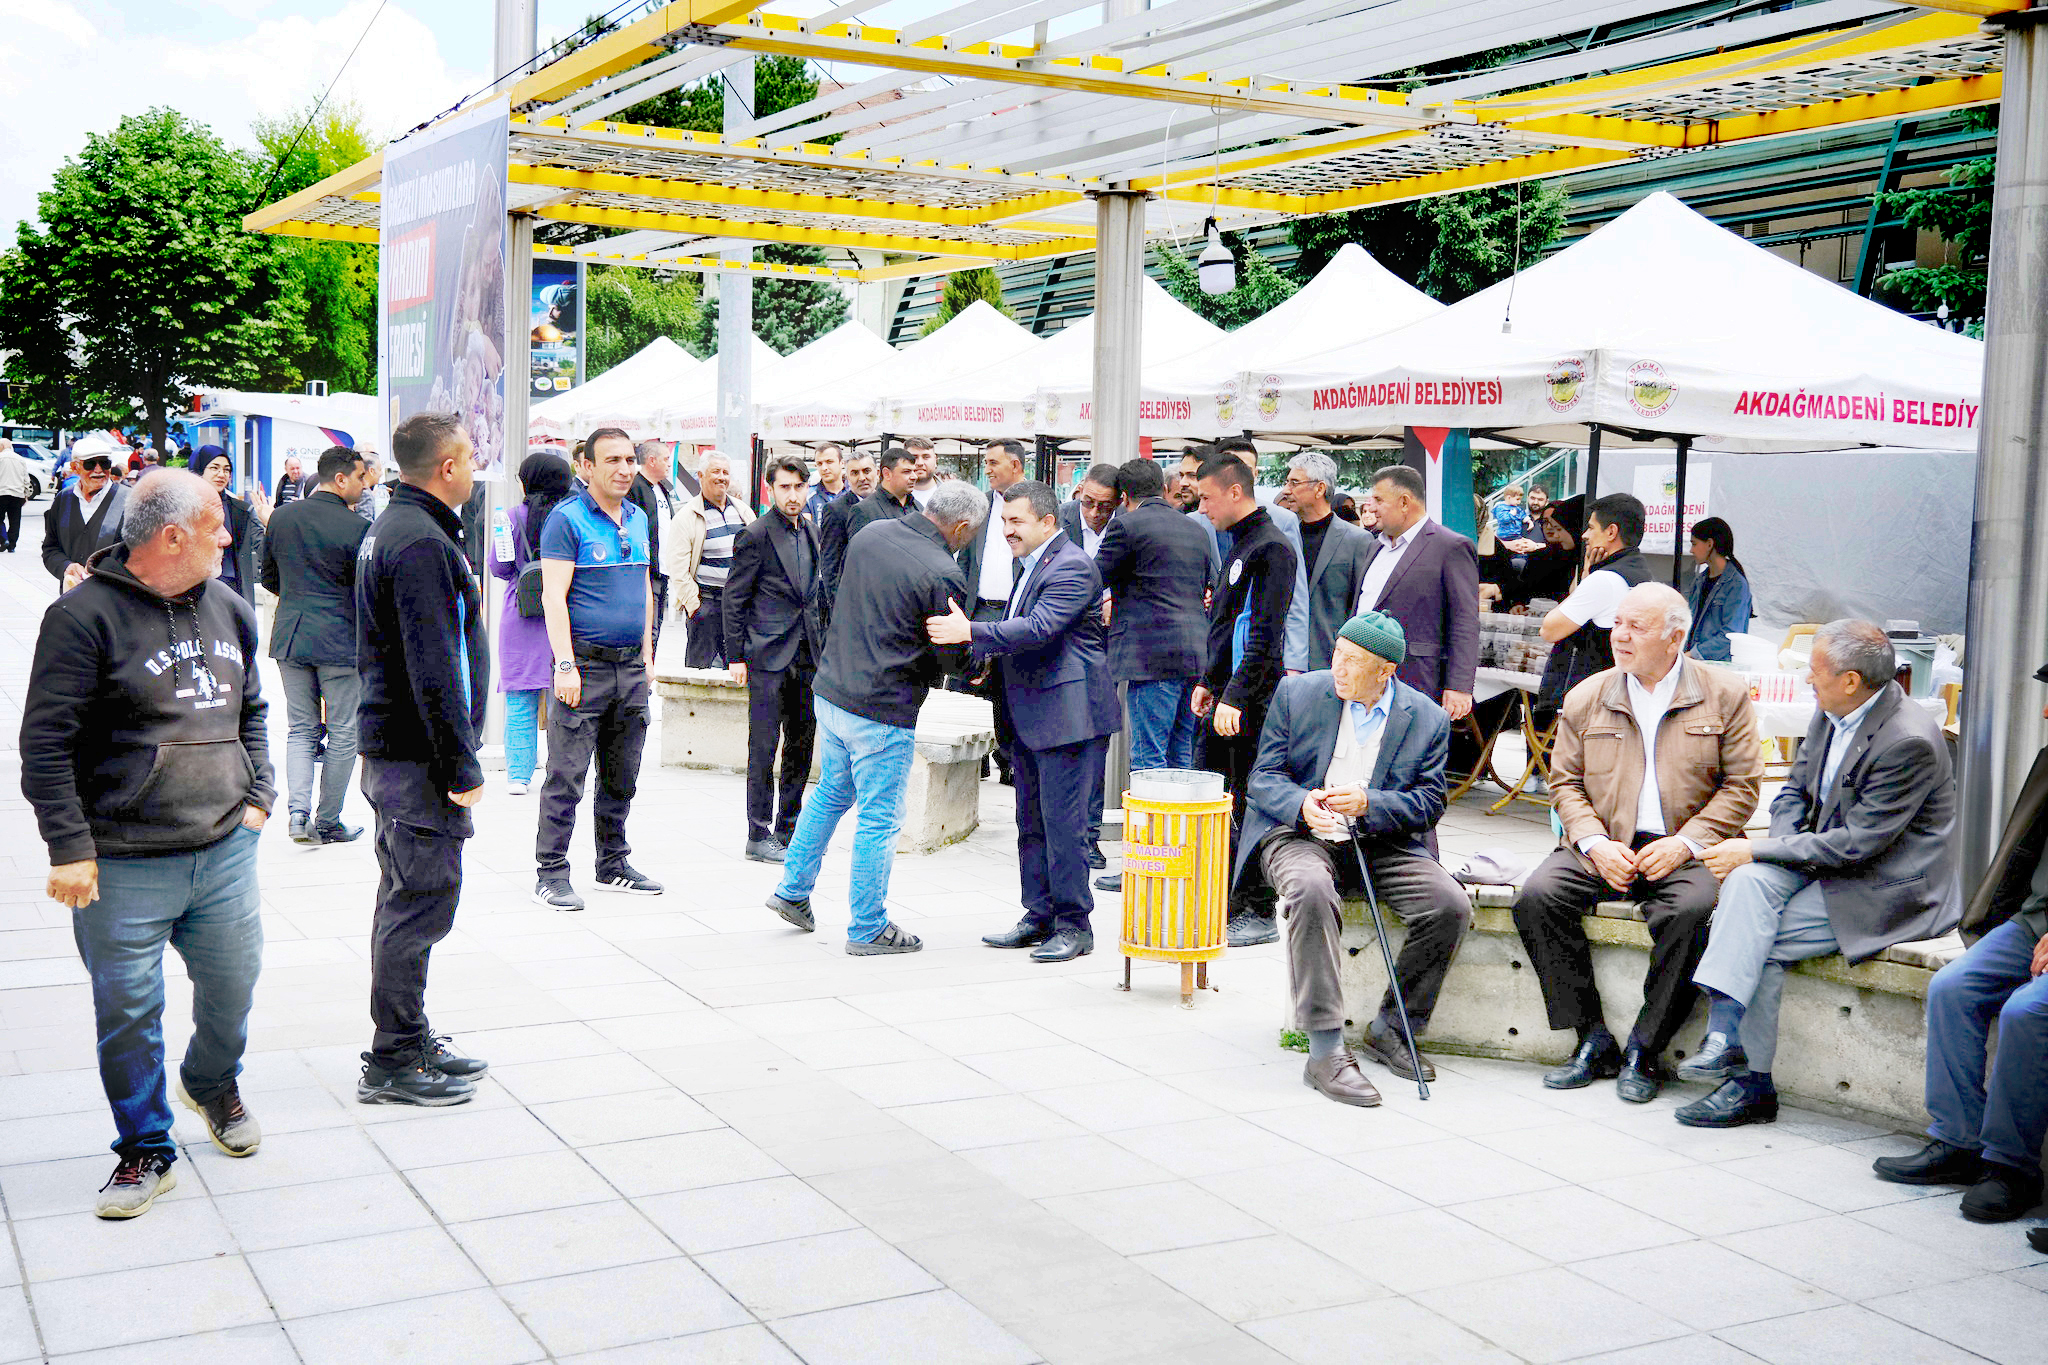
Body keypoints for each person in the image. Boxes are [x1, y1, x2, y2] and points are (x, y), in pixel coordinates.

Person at [22, 469, 273, 1217]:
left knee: (232, 990)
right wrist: (69, 846)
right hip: (122, 862)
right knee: (128, 1013)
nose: (229, 537)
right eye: (216, 526)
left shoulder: (230, 606)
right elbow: (45, 742)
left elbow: (252, 707)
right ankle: (145, 1147)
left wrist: (259, 797)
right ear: (171, 536)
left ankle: (210, 1080)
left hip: (224, 849)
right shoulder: (82, 618)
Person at [1678, 620, 1958, 1129]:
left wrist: (1759, 849)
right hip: (1821, 864)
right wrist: (1772, 851)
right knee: (1746, 884)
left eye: (1815, 670)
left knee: (1754, 934)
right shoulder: (1834, 709)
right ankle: (1723, 1041)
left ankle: (1748, 1082)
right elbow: (1793, 794)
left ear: (1851, 680)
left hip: (1883, 886)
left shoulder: (1908, 740)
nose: (1808, 680)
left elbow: (1858, 845)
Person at [1512, 583, 1761, 1103]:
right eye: (1617, 623)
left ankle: (1645, 1049)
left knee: (1691, 911)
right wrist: (1595, 843)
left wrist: (1687, 843)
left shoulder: (1724, 692)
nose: (1618, 636)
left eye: (1635, 627)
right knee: (1536, 898)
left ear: (1675, 638)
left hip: (1686, 846)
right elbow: (1565, 784)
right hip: (1605, 842)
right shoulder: (1590, 694)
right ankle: (1591, 1038)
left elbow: (1742, 787)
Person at [1243, 611, 1473, 1104]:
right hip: (1302, 836)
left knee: (1450, 905)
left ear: (1386, 671)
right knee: (1309, 889)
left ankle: (1394, 1027)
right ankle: (1324, 1048)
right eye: (1337, 656)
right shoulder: (1299, 693)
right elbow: (1263, 779)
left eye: (1353, 661)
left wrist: (1372, 804)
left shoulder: (1427, 718)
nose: (1339, 669)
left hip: (1381, 840)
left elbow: (1430, 803)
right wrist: (1303, 804)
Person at [765, 482, 984, 954]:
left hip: (835, 688)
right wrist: (977, 666)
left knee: (829, 794)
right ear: (961, 527)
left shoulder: (872, 533)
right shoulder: (943, 570)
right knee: (879, 818)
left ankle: (792, 890)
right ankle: (868, 927)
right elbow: (948, 653)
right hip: (882, 706)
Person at [1875, 660, 2048, 1223]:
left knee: (2026, 1012)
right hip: (2032, 925)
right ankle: (1958, 1142)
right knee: (1953, 986)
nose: (2044, 711)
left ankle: (2011, 1167)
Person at [354, 411, 491, 1107]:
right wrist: (461, 766)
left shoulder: (404, 527)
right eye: (467, 458)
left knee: (408, 895)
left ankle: (409, 1029)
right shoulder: (416, 541)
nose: (474, 469)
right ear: (446, 467)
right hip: (415, 759)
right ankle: (394, 1055)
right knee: (419, 901)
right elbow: (433, 665)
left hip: (400, 752)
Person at [931, 481, 1119, 962]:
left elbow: (1039, 629)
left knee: (1066, 826)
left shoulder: (1073, 565)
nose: (1007, 530)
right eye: (1004, 521)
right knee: (1031, 823)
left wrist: (968, 629)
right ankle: (1038, 915)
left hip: (1069, 721)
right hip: (1032, 714)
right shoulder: (1031, 563)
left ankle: (1075, 926)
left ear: (1047, 523)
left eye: (1016, 521)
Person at [535, 428, 664, 910]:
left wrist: (648, 655)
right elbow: (553, 597)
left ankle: (612, 863)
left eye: (630, 459)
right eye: (612, 459)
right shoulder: (566, 520)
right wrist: (565, 665)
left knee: (621, 772)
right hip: (583, 667)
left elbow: (646, 589)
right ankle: (550, 872)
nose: (625, 468)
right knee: (567, 774)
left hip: (630, 670)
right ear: (585, 466)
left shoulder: (636, 516)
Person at [1194, 454, 1298, 948]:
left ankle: (1256, 908)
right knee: (1219, 798)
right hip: (1227, 693)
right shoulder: (1240, 544)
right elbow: (1225, 624)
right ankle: (1225, 898)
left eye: (1208, 497)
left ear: (1235, 492)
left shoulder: (1272, 548)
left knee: (1249, 800)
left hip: (1252, 700)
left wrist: (1234, 695)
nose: (1203, 507)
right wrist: (1208, 683)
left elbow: (1263, 635)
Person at [260, 445, 369, 845]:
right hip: (340, 639)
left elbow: (269, 578)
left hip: (290, 634)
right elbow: (365, 590)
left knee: (301, 729)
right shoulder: (358, 529)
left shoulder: (282, 518)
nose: (364, 483)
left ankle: (296, 814)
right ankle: (327, 820)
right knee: (343, 731)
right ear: (340, 479)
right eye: (359, 476)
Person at [725, 455, 827, 863]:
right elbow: (735, 599)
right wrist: (735, 656)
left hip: (807, 655)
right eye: (785, 487)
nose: (793, 495)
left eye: (799, 487)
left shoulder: (812, 531)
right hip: (766, 656)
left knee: (802, 746)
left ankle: (789, 827)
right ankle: (757, 832)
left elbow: (816, 596)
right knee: (763, 748)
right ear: (770, 489)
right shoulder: (755, 534)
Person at [1096, 456, 1211, 774]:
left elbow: (1093, 577)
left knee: (1150, 757)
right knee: (1181, 753)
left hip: (1151, 658)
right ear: (1163, 488)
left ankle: (1153, 826)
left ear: (1123, 497)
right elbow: (1204, 587)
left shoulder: (1125, 525)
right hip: (1195, 655)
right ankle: (1179, 825)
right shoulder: (1195, 529)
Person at [1355, 464, 1479, 724]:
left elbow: (1465, 620)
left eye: (1378, 499)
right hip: (1362, 675)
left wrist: (1459, 685)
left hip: (1416, 678)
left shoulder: (1451, 546)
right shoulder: (1374, 546)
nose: (1370, 507)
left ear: (1404, 502)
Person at [491, 451, 574, 795]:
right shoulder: (572, 517)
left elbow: (499, 567)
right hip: (566, 612)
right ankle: (561, 768)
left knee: (520, 700)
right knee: (563, 697)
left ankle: (519, 777)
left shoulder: (509, 518)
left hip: (520, 614)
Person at [1535, 492, 1652, 718]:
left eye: (1591, 527)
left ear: (1611, 532)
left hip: (1586, 700)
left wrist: (1587, 576)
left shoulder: (1603, 580)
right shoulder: (1641, 573)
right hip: (1617, 697)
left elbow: (1549, 630)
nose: (1585, 535)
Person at [1213, 438, 1310, 673]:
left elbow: (1295, 596)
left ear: (1255, 473)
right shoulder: (1198, 520)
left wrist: (1295, 662)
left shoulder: (1282, 520)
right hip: (1211, 653)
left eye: (1244, 469)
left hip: (1256, 653)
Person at [666, 449, 755, 670]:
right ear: (701, 475)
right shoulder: (687, 517)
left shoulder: (743, 511)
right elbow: (677, 567)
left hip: (739, 604)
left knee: (738, 670)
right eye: (715, 471)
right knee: (699, 671)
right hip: (706, 603)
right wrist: (694, 605)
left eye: (726, 472)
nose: (722, 477)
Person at [1286, 452, 1373, 670]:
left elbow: (1360, 610)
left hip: (1331, 665)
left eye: (1295, 483)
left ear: (1319, 488)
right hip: (1278, 663)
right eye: (1287, 482)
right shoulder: (1281, 535)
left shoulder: (1357, 541)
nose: (1287, 490)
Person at [42, 436, 130, 588]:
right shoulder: (63, 499)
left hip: (113, 601)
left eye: (104, 463)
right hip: (71, 599)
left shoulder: (129, 501)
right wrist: (66, 567)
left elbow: (142, 556)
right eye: (90, 464)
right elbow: (50, 548)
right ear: (75, 467)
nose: (98, 470)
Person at [194, 447, 269, 604]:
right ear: (199, 469)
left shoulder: (241, 510)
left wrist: (270, 524)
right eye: (214, 468)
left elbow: (264, 550)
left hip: (232, 588)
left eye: (227, 470)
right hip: (194, 587)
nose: (222, 474)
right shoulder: (182, 507)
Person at [629, 441, 680, 654]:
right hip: (645, 571)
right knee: (648, 628)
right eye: (666, 459)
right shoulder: (636, 488)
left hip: (663, 570)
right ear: (651, 461)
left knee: (656, 628)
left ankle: (649, 675)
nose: (669, 464)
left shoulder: (662, 489)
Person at [1684, 516, 1752, 662]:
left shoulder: (1736, 585)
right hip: (1694, 663)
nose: (1691, 550)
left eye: (1694, 544)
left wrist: (1692, 654)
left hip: (1719, 668)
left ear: (1709, 544)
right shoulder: (1699, 581)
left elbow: (1732, 635)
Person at [817, 447, 881, 598]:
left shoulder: (889, 505)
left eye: (866, 471)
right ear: (847, 478)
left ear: (877, 473)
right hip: (852, 598)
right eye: (855, 473)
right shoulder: (835, 510)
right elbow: (830, 565)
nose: (862, 478)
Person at [1057, 463, 1119, 556]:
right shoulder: (1057, 519)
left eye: (1105, 507)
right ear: (1080, 491)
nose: (1094, 514)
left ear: (1118, 502)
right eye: (1088, 502)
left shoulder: (1129, 525)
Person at [805, 442, 847, 522]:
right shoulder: (808, 496)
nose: (824, 468)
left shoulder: (854, 492)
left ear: (842, 463)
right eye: (819, 464)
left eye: (829, 462)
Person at [0, 439, 28, 550]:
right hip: (17, 494)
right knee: (15, 520)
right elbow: (26, 479)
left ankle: (3, 538)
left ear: (2, 446)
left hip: (1, 493)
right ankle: (12, 545)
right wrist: (26, 494)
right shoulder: (21, 459)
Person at [903, 435, 939, 506]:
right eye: (914, 458)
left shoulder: (952, 496)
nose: (920, 463)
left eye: (926, 457)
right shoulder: (892, 496)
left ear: (935, 461)